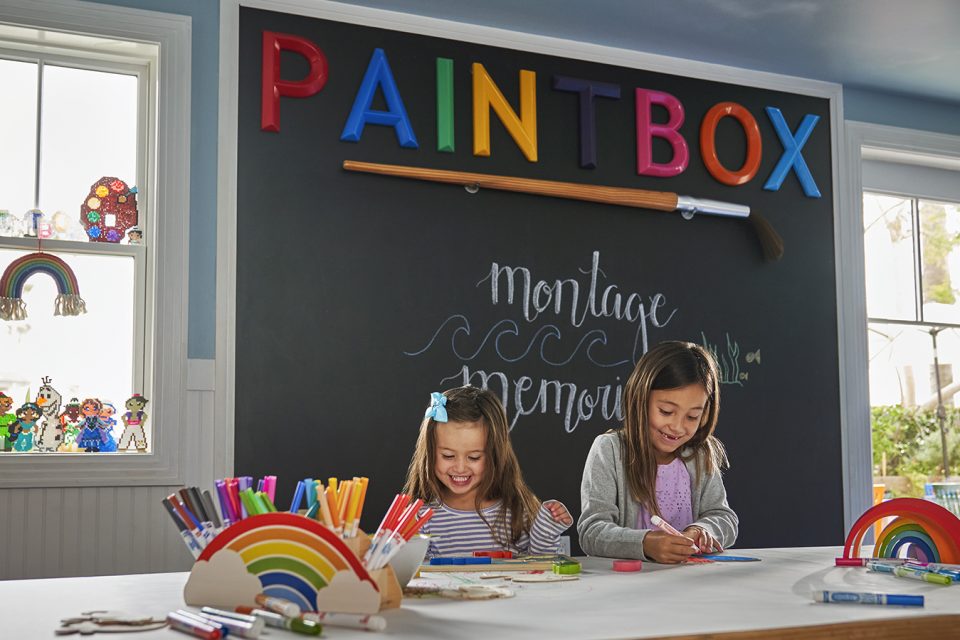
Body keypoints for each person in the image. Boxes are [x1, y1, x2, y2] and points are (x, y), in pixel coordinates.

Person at [578, 341, 738, 563]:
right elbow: (591, 532)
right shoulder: (609, 450)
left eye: (692, 416)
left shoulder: (700, 455)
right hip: (629, 581)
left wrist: (701, 530)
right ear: (640, 399)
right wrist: (645, 543)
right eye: (666, 411)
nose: (678, 427)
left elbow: (724, 517)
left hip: (688, 578)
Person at [403, 385, 572, 558]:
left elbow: (539, 566)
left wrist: (546, 530)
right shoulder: (420, 517)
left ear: (495, 455)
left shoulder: (517, 511)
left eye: (474, 457)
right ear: (429, 452)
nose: (460, 468)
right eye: (448, 456)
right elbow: (412, 571)